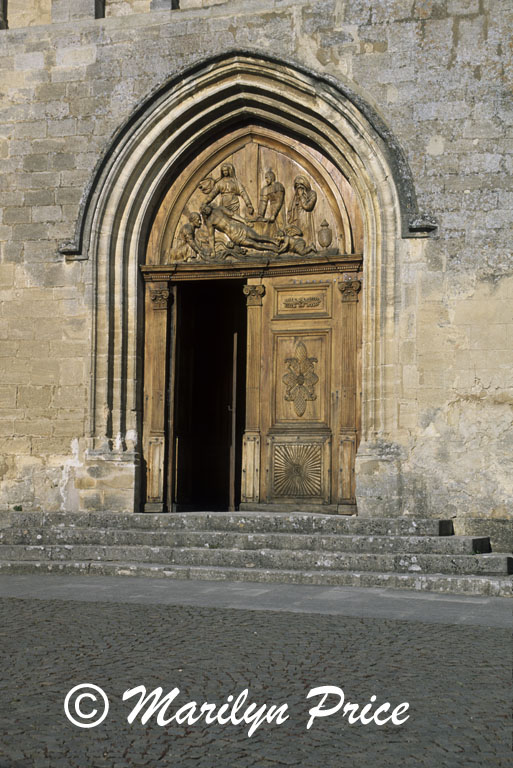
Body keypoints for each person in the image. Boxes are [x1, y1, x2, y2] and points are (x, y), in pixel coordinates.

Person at [200, 203, 280, 253]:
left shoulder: (220, 209)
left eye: (205, 207)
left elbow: (233, 215)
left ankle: (273, 241)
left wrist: (244, 221)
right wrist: (212, 250)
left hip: (239, 228)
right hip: (234, 236)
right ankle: (272, 248)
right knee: (254, 244)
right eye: (204, 210)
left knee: (257, 237)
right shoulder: (209, 222)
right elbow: (211, 237)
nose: (206, 210)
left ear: (208, 205)